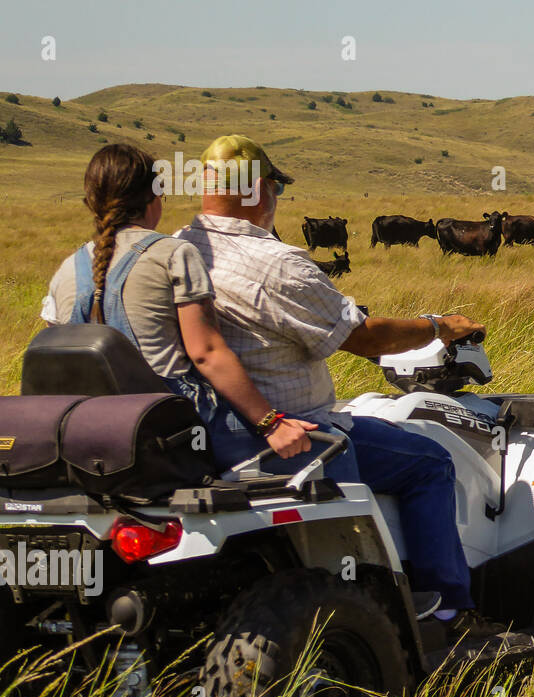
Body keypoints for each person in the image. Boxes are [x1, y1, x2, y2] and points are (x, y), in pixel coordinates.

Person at [176, 135, 494, 637]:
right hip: (292, 430)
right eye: (277, 186)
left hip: (204, 433)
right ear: (261, 189)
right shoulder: (277, 264)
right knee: (430, 462)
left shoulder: (173, 250)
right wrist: (439, 326)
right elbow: (363, 339)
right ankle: (447, 607)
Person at [41, 143, 316, 465]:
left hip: (91, 434)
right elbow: (207, 353)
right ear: (155, 197)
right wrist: (271, 423)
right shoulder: (174, 253)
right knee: (330, 447)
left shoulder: (67, 269)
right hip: (170, 427)